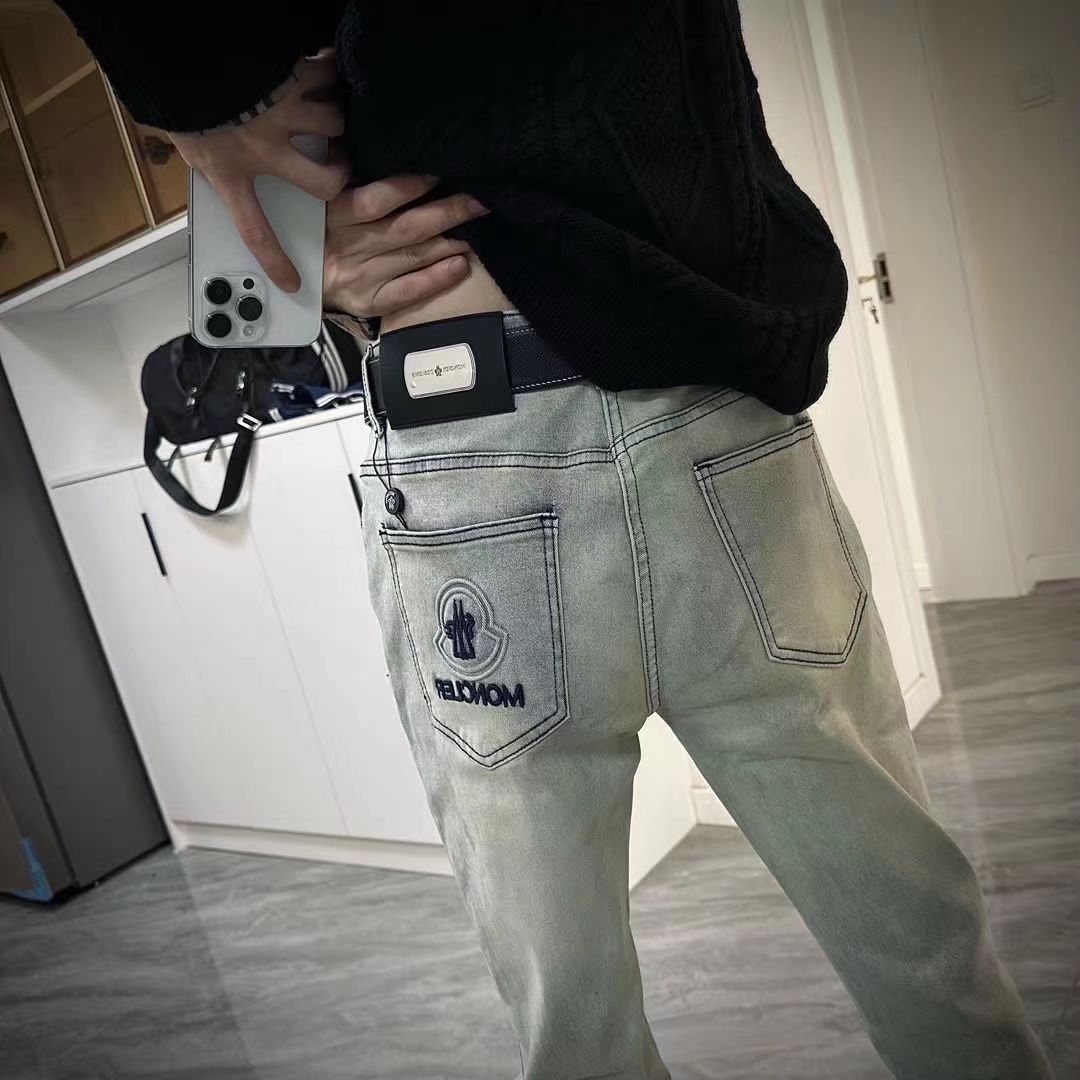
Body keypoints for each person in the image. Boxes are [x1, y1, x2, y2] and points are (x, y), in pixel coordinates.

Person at [56, 4, 1056, 1079]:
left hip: (473, 428)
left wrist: (196, 119)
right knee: (921, 943)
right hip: (710, 405)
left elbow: (258, 267)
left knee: (574, 1027)